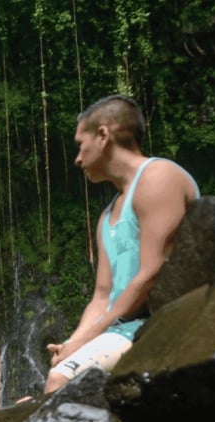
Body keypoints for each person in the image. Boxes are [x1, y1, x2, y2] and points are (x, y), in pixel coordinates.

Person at [46, 94, 199, 393]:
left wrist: (83, 341)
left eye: (80, 145)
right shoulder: (107, 217)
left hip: (161, 323)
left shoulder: (158, 177)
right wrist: (73, 343)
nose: (77, 159)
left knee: (61, 381)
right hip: (121, 330)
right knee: (62, 371)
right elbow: (102, 296)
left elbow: (151, 274)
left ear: (103, 135)